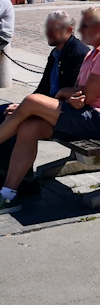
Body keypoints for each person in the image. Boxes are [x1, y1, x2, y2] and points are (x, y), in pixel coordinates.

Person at [0, 7, 100, 214]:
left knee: (31, 102)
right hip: (88, 116)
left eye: (85, 26)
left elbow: (87, 96)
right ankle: (8, 194)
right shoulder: (95, 52)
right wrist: (71, 95)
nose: (80, 30)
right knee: (29, 127)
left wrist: (64, 92)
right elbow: (79, 92)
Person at [0, 11, 90, 185]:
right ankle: (4, 172)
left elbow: (70, 95)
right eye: (47, 28)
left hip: (65, 113)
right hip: (48, 106)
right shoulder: (56, 53)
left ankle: (25, 181)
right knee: (4, 110)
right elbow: (42, 88)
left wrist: (27, 110)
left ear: (69, 30)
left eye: (53, 28)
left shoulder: (78, 53)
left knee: (17, 120)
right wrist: (22, 106)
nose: (48, 32)